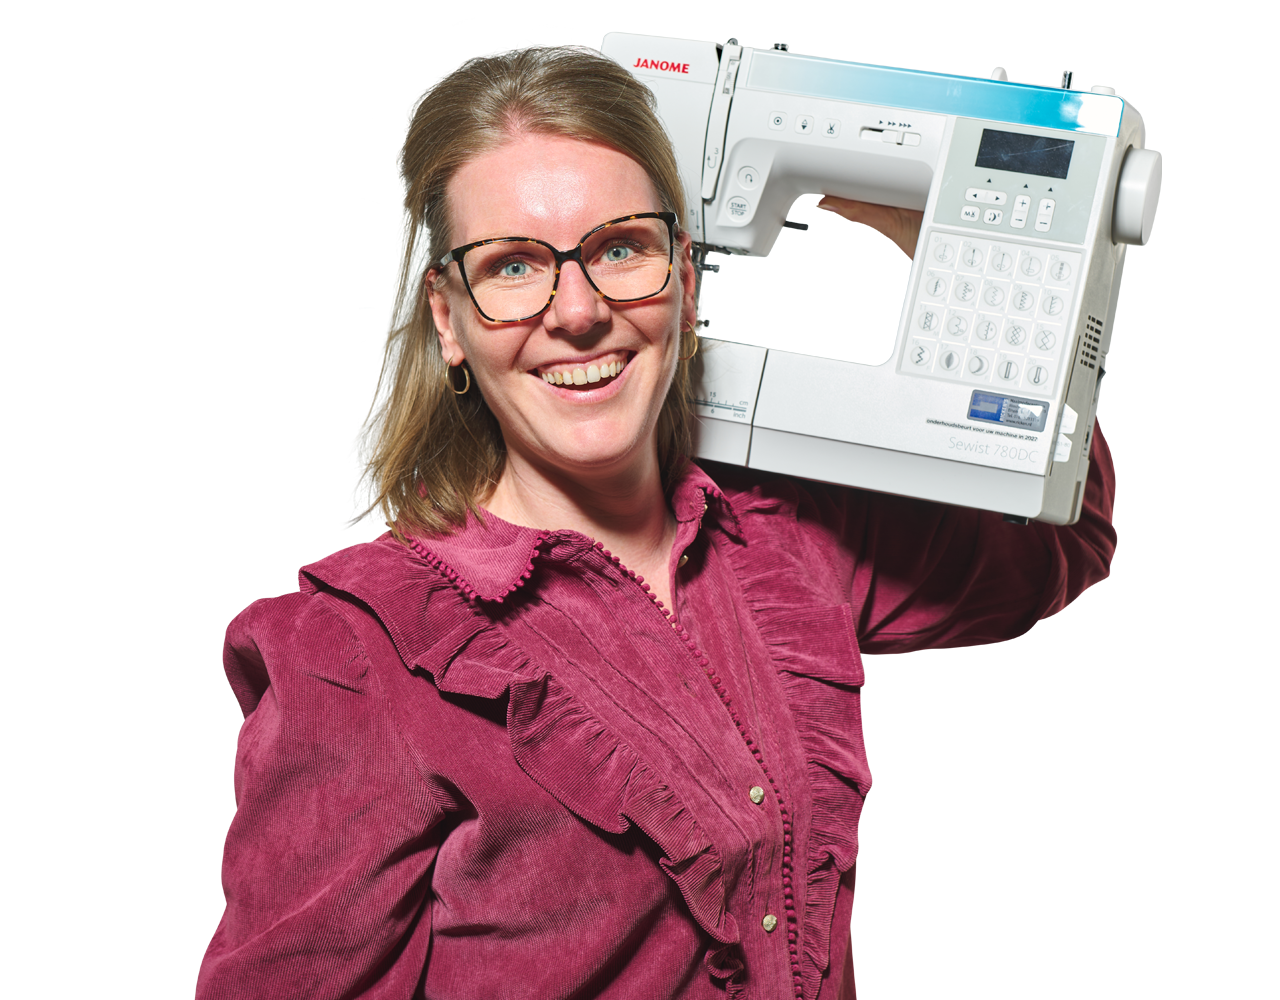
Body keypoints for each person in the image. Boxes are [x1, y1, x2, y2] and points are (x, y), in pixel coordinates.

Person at [196, 44, 1114, 1000]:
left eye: (619, 249)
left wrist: (962, 241)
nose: (578, 311)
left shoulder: (787, 537)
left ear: (683, 277)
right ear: (447, 320)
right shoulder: (359, 653)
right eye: (513, 266)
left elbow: (1053, 550)